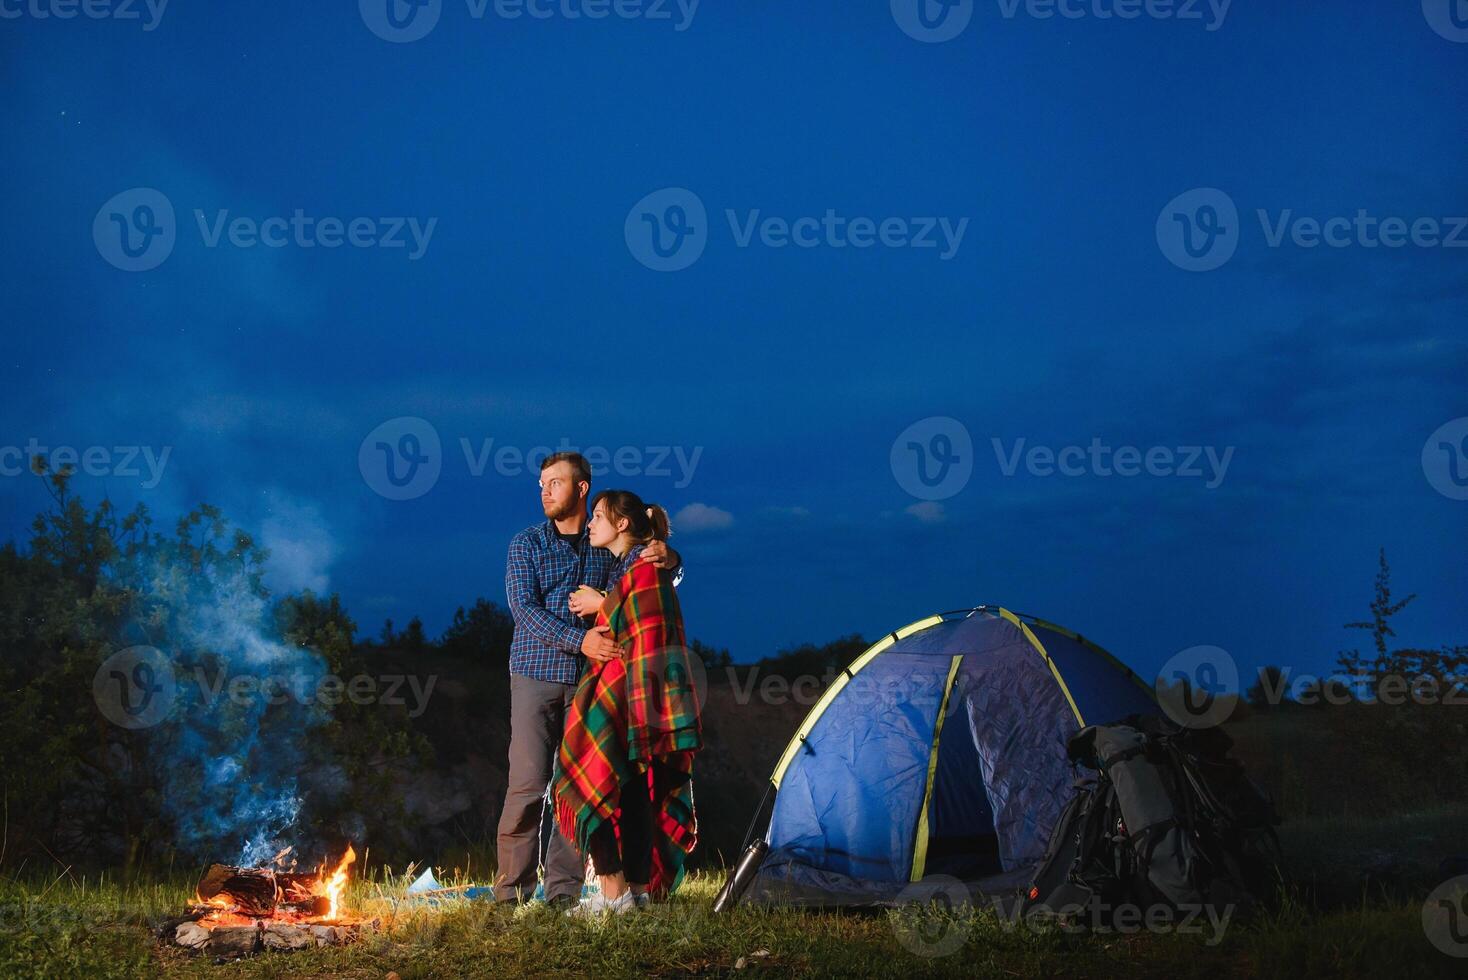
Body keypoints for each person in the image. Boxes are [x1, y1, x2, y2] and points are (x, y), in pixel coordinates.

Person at [496, 453, 681, 907]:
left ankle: (563, 895)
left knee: (577, 783)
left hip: (592, 683)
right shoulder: (526, 544)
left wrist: (671, 555)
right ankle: (510, 896)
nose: (544, 491)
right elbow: (524, 610)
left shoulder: (603, 539)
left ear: (581, 489)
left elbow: (648, 578)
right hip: (536, 674)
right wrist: (580, 642)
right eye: (541, 484)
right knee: (526, 785)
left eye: (554, 483)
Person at [554, 489, 703, 916]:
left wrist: (603, 606)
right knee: (633, 785)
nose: (591, 524)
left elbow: (645, 627)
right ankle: (633, 893)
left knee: (587, 772)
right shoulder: (627, 564)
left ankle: (615, 890)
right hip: (633, 693)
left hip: (625, 691)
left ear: (622, 524)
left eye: (599, 516)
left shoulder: (643, 566)